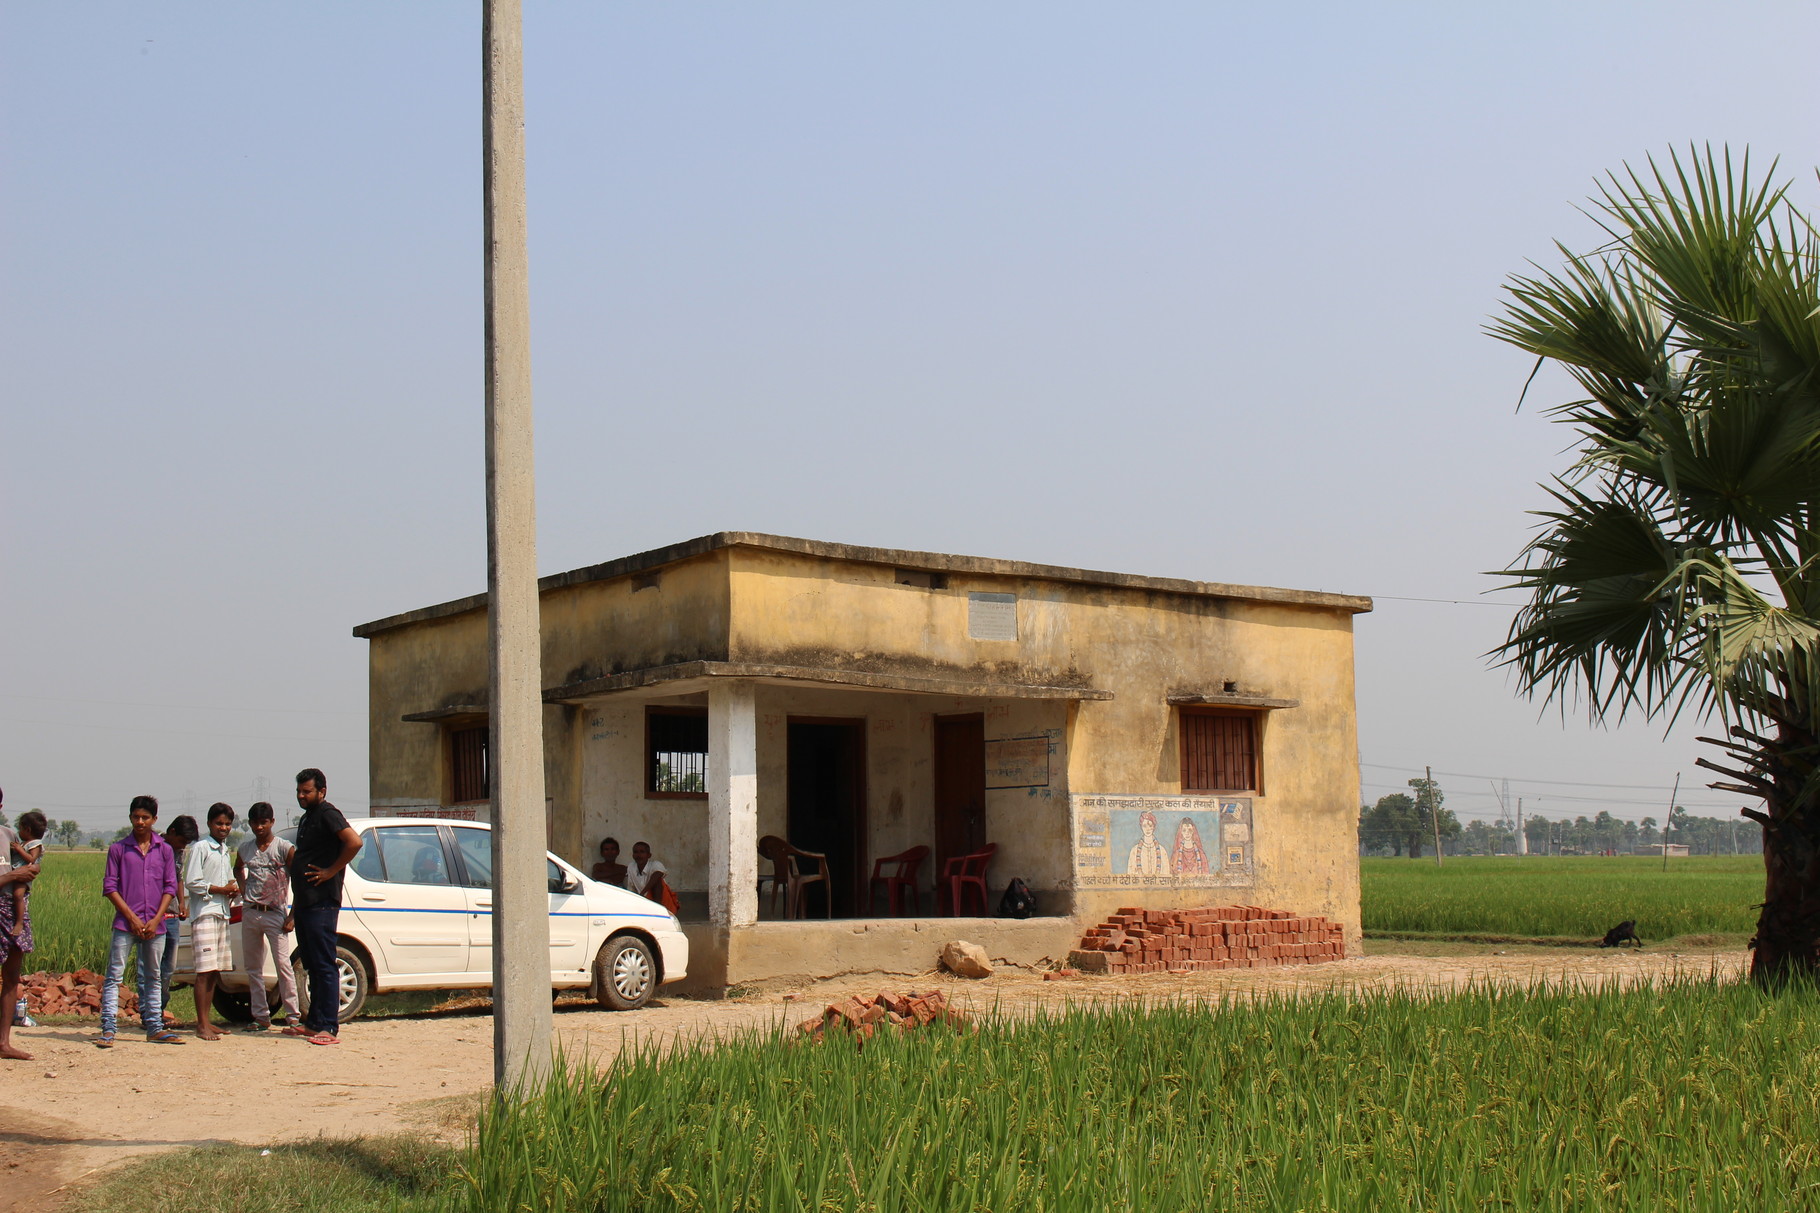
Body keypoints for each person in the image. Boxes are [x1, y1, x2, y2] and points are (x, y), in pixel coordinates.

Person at [99, 796, 183, 1046]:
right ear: (130, 818)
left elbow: (170, 887)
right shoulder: (118, 849)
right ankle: (108, 1028)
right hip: (126, 924)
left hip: (155, 924)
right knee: (115, 975)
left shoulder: (164, 850)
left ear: (154, 820)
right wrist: (132, 918)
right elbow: (110, 887)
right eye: (136, 817)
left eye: (145, 817)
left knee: (153, 976)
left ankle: (154, 1027)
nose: (140, 821)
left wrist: (157, 918)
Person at [287, 768, 361, 1046]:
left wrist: (331, 870)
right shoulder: (308, 818)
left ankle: (329, 1027)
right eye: (299, 791)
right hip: (305, 902)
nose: (301, 796)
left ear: (322, 791)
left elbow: (354, 842)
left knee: (324, 964)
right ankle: (314, 1023)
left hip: (322, 903)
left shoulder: (329, 814)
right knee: (312, 964)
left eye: (307, 791)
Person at [235, 801, 298, 1031]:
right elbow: (238, 868)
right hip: (251, 912)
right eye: (255, 823)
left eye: (264, 822)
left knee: (283, 966)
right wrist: (244, 890)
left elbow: (299, 882)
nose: (259, 827)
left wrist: (292, 916)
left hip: (276, 915)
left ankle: (293, 1017)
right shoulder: (246, 848)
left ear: (272, 822)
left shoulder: (284, 848)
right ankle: (261, 1016)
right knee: (253, 967)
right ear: (250, 824)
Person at [184, 803, 239, 1040]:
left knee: (214, 970)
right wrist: (218, 889)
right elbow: (192, 881)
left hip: (222, 913)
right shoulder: (201, 848)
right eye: (219, 823)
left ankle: (207, 1021)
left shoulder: (224, 850)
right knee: (204, 971)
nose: (223, 828)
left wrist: (232, 890)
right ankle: (201, 1024)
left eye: (227, 824)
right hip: (205, 913)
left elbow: (229, 880)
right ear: (209, 824)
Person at [0, 792, 43, 1062]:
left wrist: (27, 873)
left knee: (11, 977)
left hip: (10, 908)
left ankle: (3, 1042)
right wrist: (14, 876)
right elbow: (18, 872)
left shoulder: (8, 835)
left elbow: (30, 865)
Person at [159, 815, 199, 1027]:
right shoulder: (154, 847)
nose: (183, 846)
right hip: (153, 916)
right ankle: (150, 1012)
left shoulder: (180, 852)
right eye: (182, 841)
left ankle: (160, 1009)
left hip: (172, 915)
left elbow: (178, 878)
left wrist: (182, 904)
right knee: (150, 966)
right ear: (171, 832)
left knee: (168, 968)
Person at [4, 809, 45, 958]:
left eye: (20, 828)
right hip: (17, 874)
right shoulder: (24, 841)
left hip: (22, 875)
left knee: (18, 895)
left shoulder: (34, 844)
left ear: (27, 829)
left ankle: (19, 922)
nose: (18, 831)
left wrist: (20, 850)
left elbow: (31, 859)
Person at [627, 842, 678, 913]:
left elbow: (658, 874)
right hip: (645, 904)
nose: (638, 855)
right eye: (635, 852)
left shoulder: (655, 864)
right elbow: (631, 889)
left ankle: (657, 910)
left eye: (642, 852)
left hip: (664, 906)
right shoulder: (631, 867)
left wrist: (642, 894)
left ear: (649, 855)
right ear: (632, 855)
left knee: (657, 882)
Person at [1125, 810, 1167, 876]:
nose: (1147, 829)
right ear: (1141, 827)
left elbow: (1166, 873)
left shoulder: (1162, 851)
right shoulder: (1134, 851)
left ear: (1154, 827)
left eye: (1150, 825)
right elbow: (1130, 874)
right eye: (1144, 826)